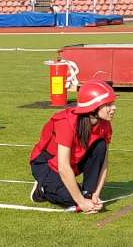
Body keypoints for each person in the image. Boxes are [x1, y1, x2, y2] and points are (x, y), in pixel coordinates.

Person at [28, 80, 116, 213]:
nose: (114, 108)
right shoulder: (66, 123)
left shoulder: (105, 125)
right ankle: (41, 190)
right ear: (93, 107)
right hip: (47, 164)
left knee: (100, 145)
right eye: (108, 104)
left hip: (72, 163)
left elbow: (103, 164)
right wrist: (81, 202)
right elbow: (63, 166)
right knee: (71, 199)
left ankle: (87, 192)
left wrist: (95, 195)